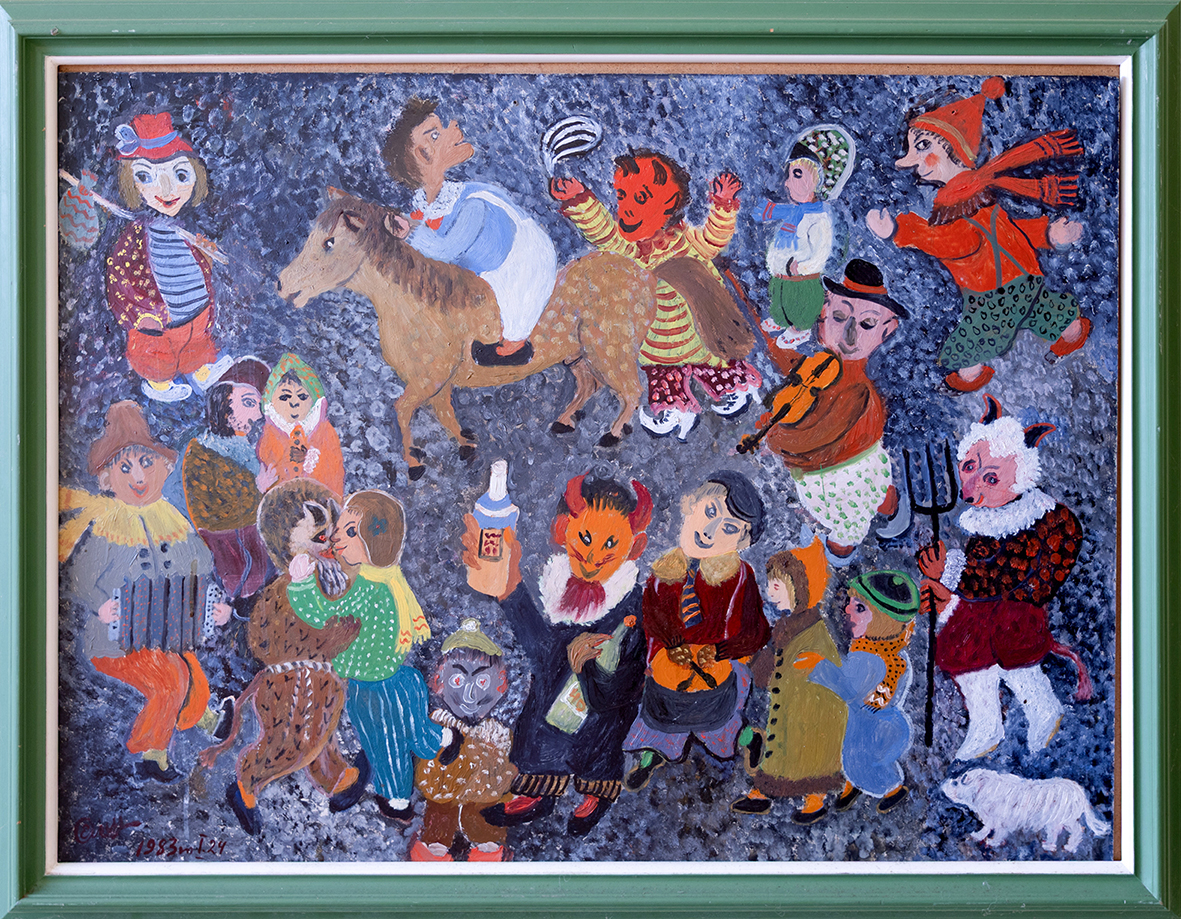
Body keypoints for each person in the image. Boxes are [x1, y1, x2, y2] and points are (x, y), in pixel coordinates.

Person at [866, 77, 1090, 392]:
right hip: (1027, 280)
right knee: (1046, 311)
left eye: (923, 146)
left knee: (971, 342)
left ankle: (969, 377)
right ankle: (1071, 333)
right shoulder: (973, 195)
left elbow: (960, 241)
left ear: (953, 148)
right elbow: (1006, 235)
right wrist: (1049, 234)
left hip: (992, 297)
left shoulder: (961, 202)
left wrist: (899, 230)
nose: (911, 161)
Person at [465, 472, 651, 837]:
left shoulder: (630, 608)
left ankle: (596, 791)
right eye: (585, 538)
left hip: (602, 705)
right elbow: (544, 654)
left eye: (610, 543)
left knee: (599, 742)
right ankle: (538, 788)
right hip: (555, 697)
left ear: (634, 546)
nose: (593, 555)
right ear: (563, 529)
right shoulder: (559, 584)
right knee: (539, 720)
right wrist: (510, 591)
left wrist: (588, 669)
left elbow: (627, 684)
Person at [59, 401, 233, 782]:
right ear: (107, 479)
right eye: (125, 468)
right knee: (170, 677)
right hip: (115, 640)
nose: (138, 476)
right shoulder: (107, 526)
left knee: (189, 667)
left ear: (163, 467)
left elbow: (202, 567)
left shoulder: (171, 518)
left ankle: (205, 718)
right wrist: (100, 605)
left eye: (146, 463)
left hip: (163, 633)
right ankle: (150, 752)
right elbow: (76, 578)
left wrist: (216, 605)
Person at [917, 395, 1091, 760]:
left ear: (1018, 480)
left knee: (1016, 659)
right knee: (962, 652)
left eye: (991, 478)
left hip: (1016, 613)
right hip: (983, 612)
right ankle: (985, 725)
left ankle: (1043, 711)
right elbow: (980, 568)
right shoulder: (989, 518)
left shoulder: (1032, 521)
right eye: (969, 467)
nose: (971, 488)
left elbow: (996, 577)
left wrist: (949, 573)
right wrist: (946, 578)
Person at [552, 148, 762, 440]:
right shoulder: (631, 251)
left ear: (670, 204)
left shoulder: (687, 242)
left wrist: (723, 205)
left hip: (701, 332)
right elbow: (606, 235)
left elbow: (714, 238)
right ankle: (675, 409)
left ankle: (732, 388)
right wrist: (580, 201)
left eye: (641, 198)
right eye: (622, 196)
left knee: (715, 365)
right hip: (657, 342)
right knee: (663, 376)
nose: (626, 208)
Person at [286, 489, 461, 821]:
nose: (337, 536)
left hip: (372, 690)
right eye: (342, 527)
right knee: (414, 732)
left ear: (374, 541)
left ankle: (397, 798)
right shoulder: (387, 579)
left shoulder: (368, 589)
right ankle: (445, 737)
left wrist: (302, 584)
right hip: (400, 680)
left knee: (385, 745)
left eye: (350, 531)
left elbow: (325, 616)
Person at [382, 97, 558, 366]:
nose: (454, 126)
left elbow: (446, 249)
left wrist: (410, 234)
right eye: (436, 134)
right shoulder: (424, 209)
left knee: (512, 296)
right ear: (423, 154)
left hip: (520, 262)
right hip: (478, 274)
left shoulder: (472, 203)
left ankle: (514, 344)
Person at [623, 471, 770, 792]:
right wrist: (670, 644)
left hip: (717, 666)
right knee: (660, 721)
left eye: (728, 529)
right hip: (669, 667)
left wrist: (720, 651)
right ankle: (648, 759)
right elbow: (653, 617)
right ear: (691, 504)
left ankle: (749, 738)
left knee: (720, 723)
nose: (709, 531)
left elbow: (757, 631)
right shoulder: (664, 572)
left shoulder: (739, 576)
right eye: (709, 512)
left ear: (742, 542)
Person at [753, 258, 907, 560]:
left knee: (847, 525)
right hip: (838, 472)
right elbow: (793, 378)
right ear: (823, 314)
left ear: (887, 330)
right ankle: (887, 506)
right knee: (878, 490)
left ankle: (840, 550)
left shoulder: (858, 393)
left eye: (867, 324)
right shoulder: (815, 366)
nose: (850, 335)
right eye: (839, 316)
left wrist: (774, 437)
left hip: (837, 476)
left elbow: (811, 438)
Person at [105, 112, 232, 402]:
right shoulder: (134, 238)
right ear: (132, 184)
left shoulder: (184, 230)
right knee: (156, 353)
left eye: (180, 175)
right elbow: (119, 277)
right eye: (146, 177)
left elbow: (200, 265)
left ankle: (201, 370)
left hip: (195, 309)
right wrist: (139, 315)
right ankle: (159, 384)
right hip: (157, 319)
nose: (166, 189)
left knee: (195, 342)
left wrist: (205, 253)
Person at [731, 536, 846, 823]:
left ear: (801, 589)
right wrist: (755, 661)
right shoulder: (788, 626)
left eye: (777, 585)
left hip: (812, 712)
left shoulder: (814, 634)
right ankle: (763, 792)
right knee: (782, 747)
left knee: (807, 755)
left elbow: (811, 673)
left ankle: (813, 799)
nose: (770, 591)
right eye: (770, 584)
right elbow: (774, 661)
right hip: (791, 706)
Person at [797, 570, 920, 814]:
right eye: (851, 603)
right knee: (861, 761)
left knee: (859, 763)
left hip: (870, 730)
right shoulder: (894, 653)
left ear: (884, 621)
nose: (847, 610)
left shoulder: (867, 658)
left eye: (860, 608)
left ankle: (892, 789)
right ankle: (853, 785)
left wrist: (819, 667)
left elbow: (848, 687)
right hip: (892, 723)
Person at [412, 618, 517, 862]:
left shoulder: (498, 735)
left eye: (482, 681)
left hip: (481, 819)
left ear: (500, 684)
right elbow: (430, 784)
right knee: (436, 828)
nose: (469, 695)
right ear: (439, 682)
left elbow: (499, 787)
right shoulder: (436, 729)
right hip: (440, 815)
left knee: (487, 832)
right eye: (458, 681)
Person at [178, 356, 275, 601]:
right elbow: (212, 513)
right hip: (225, 549)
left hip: (254, 543)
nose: (256, 415)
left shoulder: (249, 449)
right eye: (248, 403)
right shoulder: (202, 450)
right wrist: (259, 489)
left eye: (259, 407)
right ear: (223, 401)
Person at [756, 124, 855, 350]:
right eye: (790, 174)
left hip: (802, 280)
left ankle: (799, 328)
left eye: (797, 174)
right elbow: (780, 242)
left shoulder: (818, 219)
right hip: (781, 276)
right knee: (779, 301)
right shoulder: (792, 214)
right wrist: (774, 261)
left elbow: (821, 252)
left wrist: (802, 267)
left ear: (819, 181)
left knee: (800, 305)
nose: (787, 182)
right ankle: (780, 319)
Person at [256, 353, 345, 497]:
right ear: (271, 402)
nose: (294, 403)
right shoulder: (269, 434)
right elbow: (267, 465)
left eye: (302, 397)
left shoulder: (325, 431)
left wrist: (310, 459)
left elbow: (334, 470)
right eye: (284, 397)